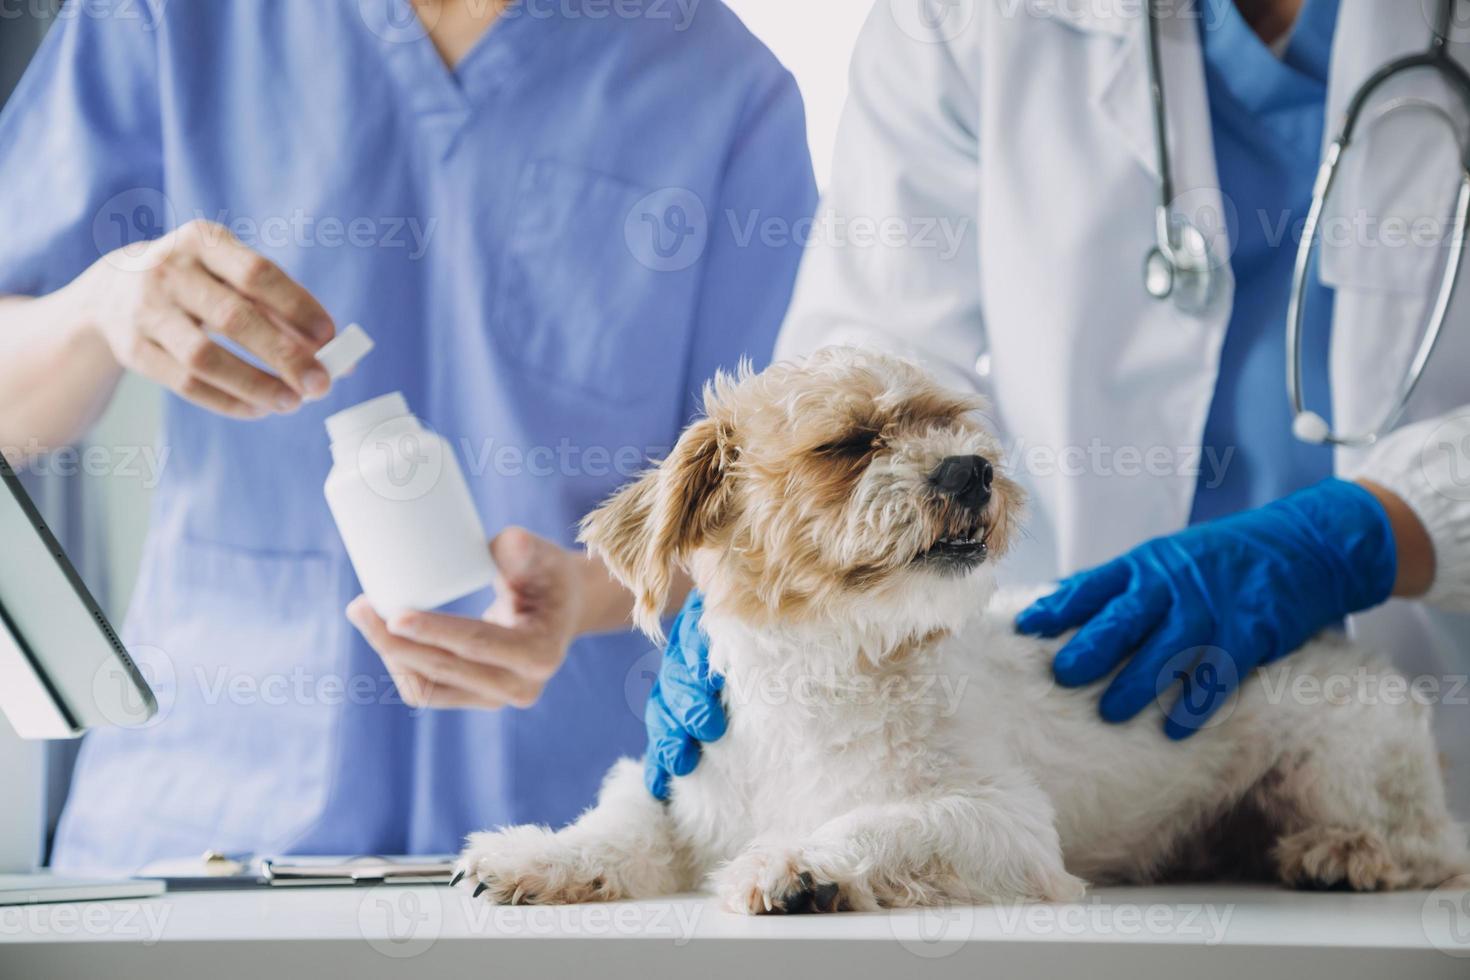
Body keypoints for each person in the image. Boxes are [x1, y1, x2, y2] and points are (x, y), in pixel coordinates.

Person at [0, 0, 815, 873]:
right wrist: (98, 307)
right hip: (202, 824)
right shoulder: (166, 20)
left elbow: (768, 527)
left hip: (567, 852)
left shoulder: (721, 86)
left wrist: (584, 594)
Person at [646, 0, 1470, 821]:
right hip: (1072, 723)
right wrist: (757, 590)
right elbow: (872, 359)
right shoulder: (956, 19)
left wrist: (1369, 531)